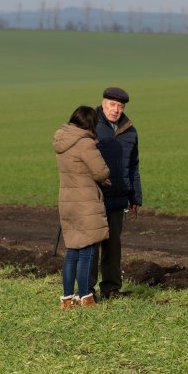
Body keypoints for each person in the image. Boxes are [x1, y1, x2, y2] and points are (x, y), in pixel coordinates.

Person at [52, 106, 111, 309]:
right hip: (84, 202)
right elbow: (101, 171)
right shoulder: (85, 143)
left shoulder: (61, 140)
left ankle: (67, 299)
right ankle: (86, 297)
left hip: (67, 202)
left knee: (72, 252)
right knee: (86, 252)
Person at [89, 87, 142, 300]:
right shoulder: (90, 126)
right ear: (103, 104)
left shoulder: (130, 131)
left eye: (121, 106)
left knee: (113, 246)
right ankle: (87, 291)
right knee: (90, 246)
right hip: (94, 196)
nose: (116, 110)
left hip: (119, 197)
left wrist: (135, 195)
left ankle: (111, 289)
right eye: (112, 104)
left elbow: (134, 165)